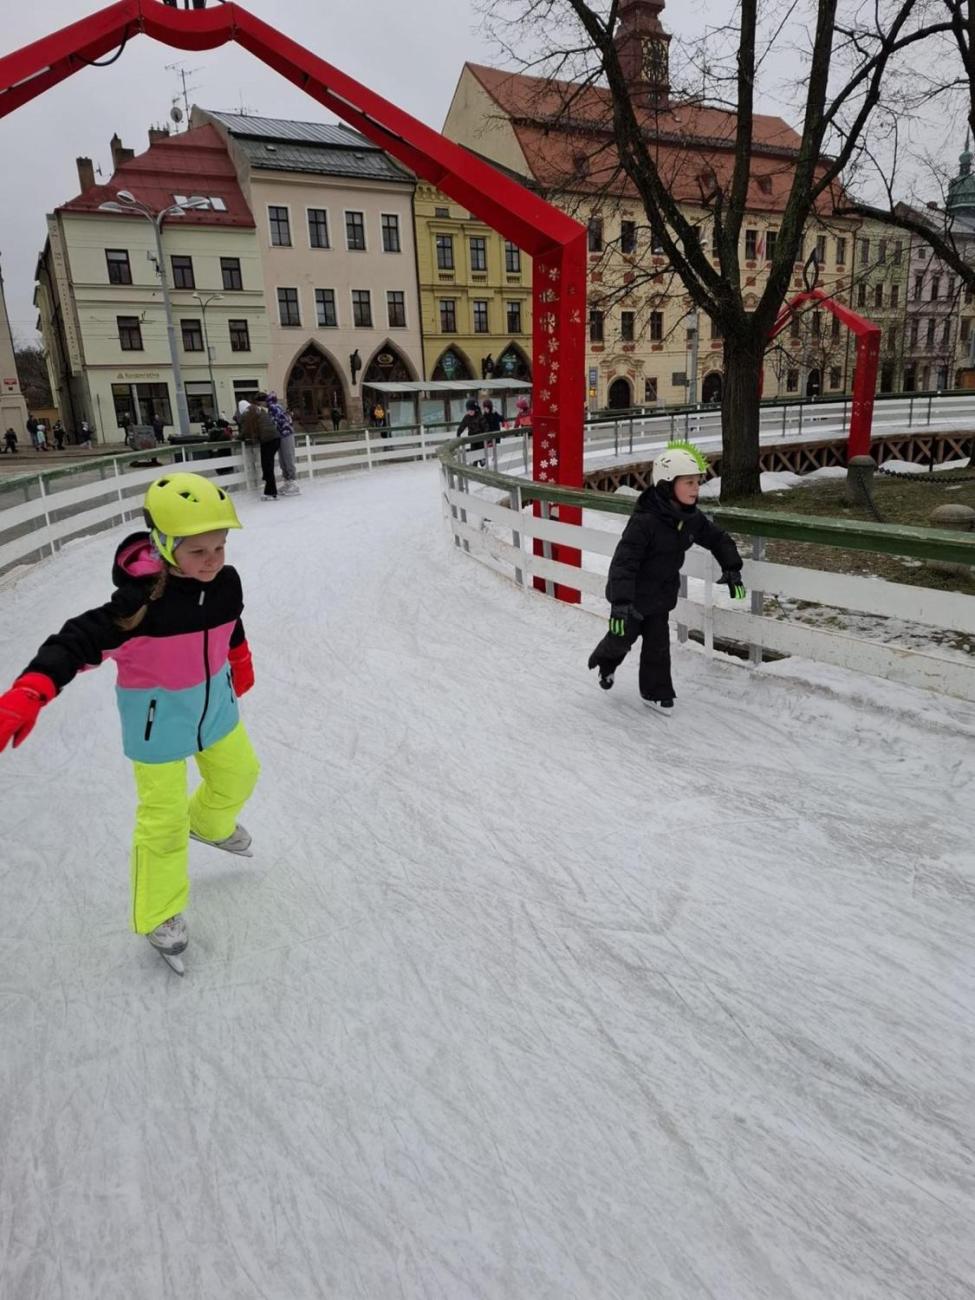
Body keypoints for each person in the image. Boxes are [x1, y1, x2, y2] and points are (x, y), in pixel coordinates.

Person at [0, 472, 259, 971]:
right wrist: (31, 691)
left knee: (240, 775)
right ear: (164, 545)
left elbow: (231, 620)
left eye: (219, 547)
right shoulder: (139, 606)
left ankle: (208, 825)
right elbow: (74, 641)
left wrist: (240, 658)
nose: (212, 561)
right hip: (156, 728)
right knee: (162, 823)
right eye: (198, 551)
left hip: (217, 712)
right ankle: (160, 914)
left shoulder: (226, 583)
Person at [587, 441, 747, 713]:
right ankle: (606, 663)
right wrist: (621, 602)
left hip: (660, 596)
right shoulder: (645, 521)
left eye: (697, 482)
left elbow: (717, 538)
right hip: (632, 599)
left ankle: (655, 692)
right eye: (689, 482)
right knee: (620, 639)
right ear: (667, 485)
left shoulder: (689, 517)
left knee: (658, 646)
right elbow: (624, 564)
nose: (696, 488)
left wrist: (731, 567)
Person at [239, 393, 280, 500]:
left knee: (267, 466)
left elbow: (245, 429)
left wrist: (239, 437)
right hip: (274, 438)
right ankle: (269, 491)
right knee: (267, 465)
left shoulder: (248, 413)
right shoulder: (257, 410)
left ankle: (271, 492)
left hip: (268, 440)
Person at [266, 392, 300, 496]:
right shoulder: (276, 408)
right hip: (281, 435)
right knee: (283, 459)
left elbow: (275, 422)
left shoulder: (274, 408)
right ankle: (287, 481)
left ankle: (293, 482)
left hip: (286, 434)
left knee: (287, 457)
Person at [456, 399, 486, 467]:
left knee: (480, 451)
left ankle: (482, 460)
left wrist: (486, 436)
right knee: (473, 453)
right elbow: (462, 425)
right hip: (472, 439)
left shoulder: (480, 417)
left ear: (475, 410)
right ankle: (474, 465)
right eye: (469, 411)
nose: (470, 412)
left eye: (472, 411)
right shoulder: (467, 417)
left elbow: (485, 426)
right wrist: (458, 433)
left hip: (480, 439)